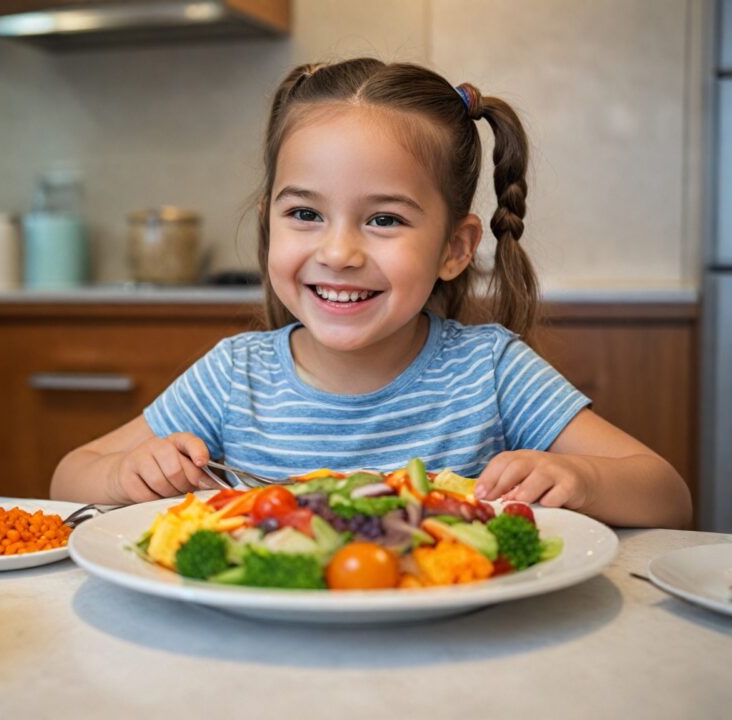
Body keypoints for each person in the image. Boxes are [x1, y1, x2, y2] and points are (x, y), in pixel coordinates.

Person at [51, 58, 691, 528]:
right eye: (304, 214)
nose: (338, 252)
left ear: (454, 249)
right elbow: (68, 476)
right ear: (269, 217)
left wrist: (579, 478)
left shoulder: (489, 371)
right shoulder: (231, 375)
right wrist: (123, 474)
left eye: (384, 220)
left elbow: (667, 496)